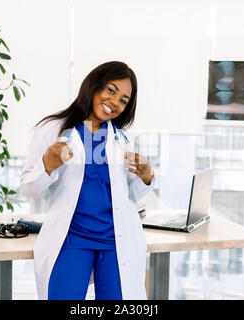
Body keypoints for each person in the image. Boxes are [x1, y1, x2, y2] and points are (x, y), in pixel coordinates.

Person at [20, 61, 157, 300]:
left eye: (124, 100)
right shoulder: (53, 130)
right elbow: (29, 189)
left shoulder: (121, 139)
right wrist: (47, 166)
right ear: (94, 86)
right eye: (111, 91)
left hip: (115, 241)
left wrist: (146, 178)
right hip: (72, 239)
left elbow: (126, 197)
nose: (115, 102)